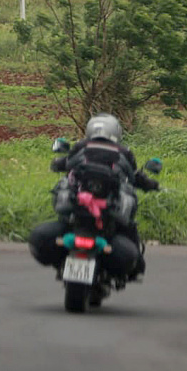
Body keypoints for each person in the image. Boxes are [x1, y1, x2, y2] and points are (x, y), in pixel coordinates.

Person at [28, 113, 159, 281]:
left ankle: (62, 260)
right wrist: (151, 185)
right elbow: (135, 176)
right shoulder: (124, 152)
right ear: (116, 132)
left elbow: (62, 163)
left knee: (63, 221)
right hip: (108, 210)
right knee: (129, 228)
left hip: (78, 207)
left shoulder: (81, 146)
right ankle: (136, 270)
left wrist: (56, 164)